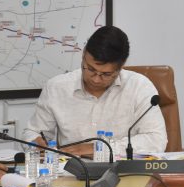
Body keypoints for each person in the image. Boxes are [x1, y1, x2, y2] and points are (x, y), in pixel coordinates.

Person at [22, 25, 167, 157]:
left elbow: (156, 140)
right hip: (70, 172)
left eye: (106, 74)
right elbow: (32, 132)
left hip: (124, 172)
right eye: (90, 69)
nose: (96, 79)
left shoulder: (139, 87)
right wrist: (35, 143)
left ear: (121, 66)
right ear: (83, 55)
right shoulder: (56, 88)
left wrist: (99, 148)